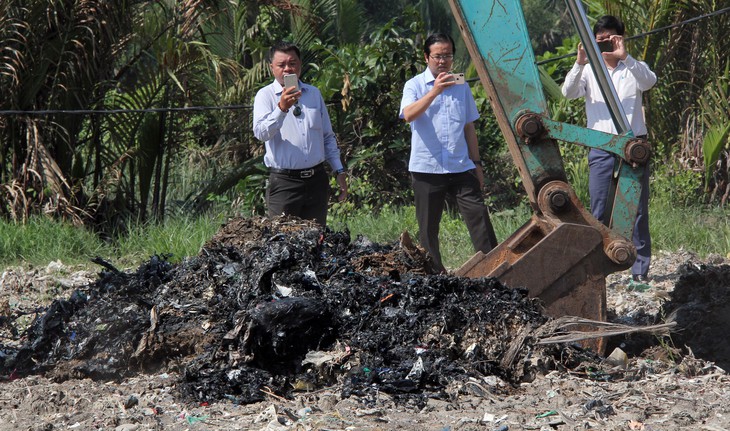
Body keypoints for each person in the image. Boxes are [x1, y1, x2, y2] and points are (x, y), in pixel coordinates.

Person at [561, 15, 657, 282]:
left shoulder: (633, 68)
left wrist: (625, 56)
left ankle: (639, 272)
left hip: (633, 146)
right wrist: (580, 61)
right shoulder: (589, 69)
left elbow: (649, 82)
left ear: (620, 38)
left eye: (610, 38)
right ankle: (597, 269)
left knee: (636, 208)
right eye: (600, 39)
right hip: (602, 146)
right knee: (599, 207)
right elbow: (567, 93)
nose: (605, 44)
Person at [399, 33, 497, 273]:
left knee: (479, 218)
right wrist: (434, 92)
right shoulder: (414, 85)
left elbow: (468, 126)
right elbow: (408, 114)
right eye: (438, 56)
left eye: (448, 56)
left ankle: (495, 267)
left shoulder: (460, 86)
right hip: (426, 168)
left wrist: (477, 163)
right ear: (426, 57)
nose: (443, 61)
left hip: (460, 165)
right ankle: (436, 276)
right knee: (428, 228)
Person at [253, 41, 348, 226]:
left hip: (316, 181)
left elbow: (327, 136)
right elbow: (261, 133)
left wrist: (339, 169)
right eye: (281, 65)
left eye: (292, 63)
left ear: (300, 65)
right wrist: (281, 108)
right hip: (284, 183)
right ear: (271, 67)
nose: (288, 69)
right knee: (282, 243)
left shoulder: (313, 94)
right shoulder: (265, 96)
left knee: (315, 240)